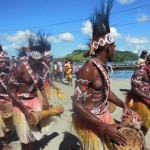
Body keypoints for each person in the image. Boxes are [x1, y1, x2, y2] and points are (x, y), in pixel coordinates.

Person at [71, 1, 132, 149]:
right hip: (91, 121)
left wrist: (123, 104)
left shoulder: (102, 67)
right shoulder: (88, 70)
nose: (115, 50)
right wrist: (104, 127)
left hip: (104, 116)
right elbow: (77, 104)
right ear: (107, 47)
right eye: (114, 47)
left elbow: (106, 92)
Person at [7, 42, 64, 150]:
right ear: (30, 58)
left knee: (36, 127)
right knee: (25, 134)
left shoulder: (39, 67)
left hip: (34, 100)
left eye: (40, 62)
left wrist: (45, 99)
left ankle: (30, 146)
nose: (38, 64)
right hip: (21, 102)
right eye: (36, 62)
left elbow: (40, 84)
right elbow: (10, 90)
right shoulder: (20, 68)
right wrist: (23, 107)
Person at [126, 54, 150, 136]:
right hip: (138, 100)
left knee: (146, 124)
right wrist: (148, 97)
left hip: (147, 99)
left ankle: (141, 142)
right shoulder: (141, 70)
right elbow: (134, 88)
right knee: (138, 125)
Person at [0, 45, 13, 150]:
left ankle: (5, 141)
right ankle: (3, 143)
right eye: (1, 61)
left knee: (8, 125)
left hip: (8, 99)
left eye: (4, 61)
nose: (3, 63)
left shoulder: (8, 71)